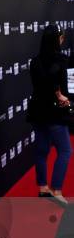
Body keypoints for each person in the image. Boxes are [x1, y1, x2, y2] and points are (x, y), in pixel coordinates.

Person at [28, 24, 72, 206]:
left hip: (38, 113)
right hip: (54, 113)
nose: (62, 41)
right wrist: (63, 97)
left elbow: (40, 86)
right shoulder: (62, 60)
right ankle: (56, 190)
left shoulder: (34, 61)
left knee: (41, 151)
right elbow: (62, 86)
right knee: (65, 150)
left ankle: (43, 189)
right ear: (56, 40)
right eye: (61, 38)